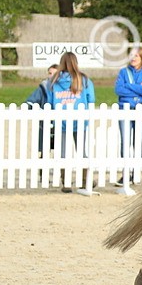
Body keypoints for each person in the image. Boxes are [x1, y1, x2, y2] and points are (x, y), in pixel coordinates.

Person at [49, 52, 97, 194]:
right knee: (82, 151)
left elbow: (50, 102)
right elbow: (91, 99)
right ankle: (84, 181)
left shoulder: (54, 81)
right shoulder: (85, 80)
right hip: (80, 121)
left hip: (61, 121)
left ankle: (66, 182)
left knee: (62, 152)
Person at [114, 47, 142, 193]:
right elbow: (118, 90)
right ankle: (126, 173)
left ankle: (135, 173)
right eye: (131, 55)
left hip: (140, 111)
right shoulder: (123, 72)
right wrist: (137, 87)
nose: (133, 58)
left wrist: (128, 86)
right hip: (124, 109)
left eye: (136, 55)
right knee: (125, 142)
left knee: (138, 143)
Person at [24, 65, 60, 160]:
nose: (51, 76)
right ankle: (42, 172)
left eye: (54, 73)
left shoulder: (65, 88)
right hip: (45, 124)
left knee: (60, 150)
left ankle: (60, 171)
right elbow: (30, 101)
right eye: (50, 73)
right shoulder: (44, 88)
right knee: (44, 150)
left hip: (61, 123)